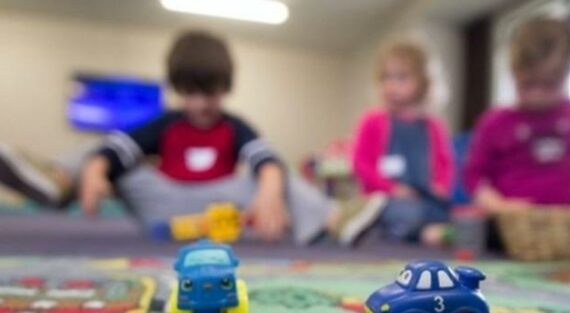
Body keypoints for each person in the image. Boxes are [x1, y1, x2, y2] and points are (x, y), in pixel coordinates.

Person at [0, 30, 381, 245]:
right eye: (190, 92)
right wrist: (97, 169)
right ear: (178, 89)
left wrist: (268, 190)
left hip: (218, 205)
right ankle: (57, 180)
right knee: (97, 150)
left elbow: (265, 159)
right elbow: (117, 148)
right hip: (162, 202)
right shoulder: (165, 122)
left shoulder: (234, 125)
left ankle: (336, 218)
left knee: (277, 173)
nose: (200, 104)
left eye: (209, 92)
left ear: (226, 87)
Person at [351, 41, 454, 245]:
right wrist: (393, 189)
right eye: (386, 78)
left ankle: (417, 230)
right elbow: (361, 165)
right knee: (398, 211)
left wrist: (440, 186)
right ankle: (416, 232)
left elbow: (444, 164)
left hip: (422, 197)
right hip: (384, 198)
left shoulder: (433, 126)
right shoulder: (373, 121)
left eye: (401, 78)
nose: (391, 85)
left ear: (422, 82)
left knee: (445, 211)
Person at [465, 17, 570, 212]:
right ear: (514, 74)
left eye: (549, 84)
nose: (537, 94)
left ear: (564, 77)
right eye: (527, 84)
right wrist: (499, 206)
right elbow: (475, 177)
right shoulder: (494, 123)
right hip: (509, 225)